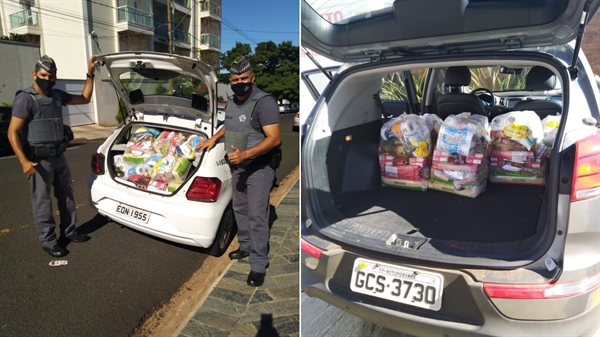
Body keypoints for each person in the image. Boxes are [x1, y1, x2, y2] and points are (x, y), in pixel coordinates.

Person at [196, 56, 281, 287]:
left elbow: (275, 138)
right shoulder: (232, 102)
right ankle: (245, 247)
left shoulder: (264, 103)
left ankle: (258, 264)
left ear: (252, 78)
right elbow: (228, 125)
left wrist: (246, 154)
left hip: (259, 169)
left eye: (244, 78)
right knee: (239, 209)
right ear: (231, 81)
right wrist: (213, 139)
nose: (240, 82)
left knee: (256, 216)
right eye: (235, 79)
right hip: (238, 169)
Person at [8, 54, 98, 258]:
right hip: (39, 160)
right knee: (42, 201)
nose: (48, 79)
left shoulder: (57, 95)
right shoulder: (25, 98)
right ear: (35, 74)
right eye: (44, 75)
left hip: (59, 156)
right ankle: (48, 240)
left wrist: (90, 73)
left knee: (66, 196)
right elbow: (12, 132)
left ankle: (69, 232)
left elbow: (85, 99)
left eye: (52, 76)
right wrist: (23, 161)